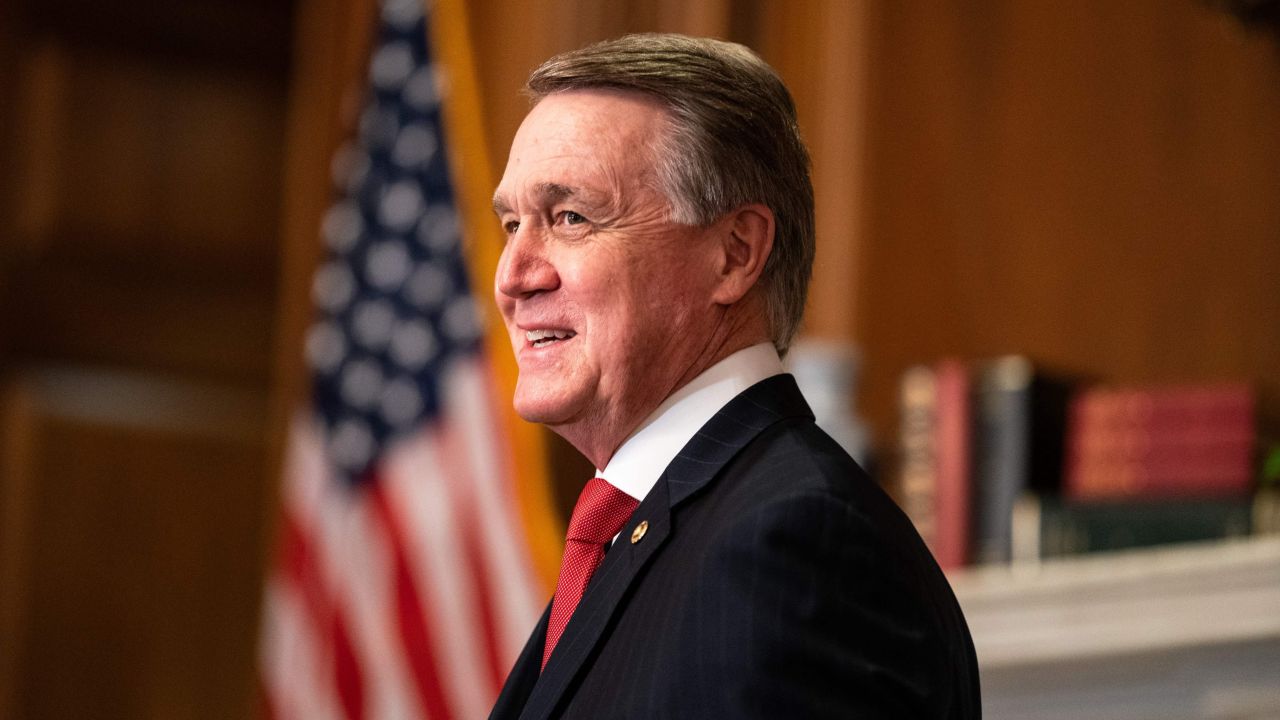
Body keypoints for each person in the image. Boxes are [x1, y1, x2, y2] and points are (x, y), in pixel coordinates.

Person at [487, 33, 980, 719]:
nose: (512, 276)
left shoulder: (795, 542)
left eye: (570, 217)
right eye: (511, 224)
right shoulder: (648, 531)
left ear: (734, 254)